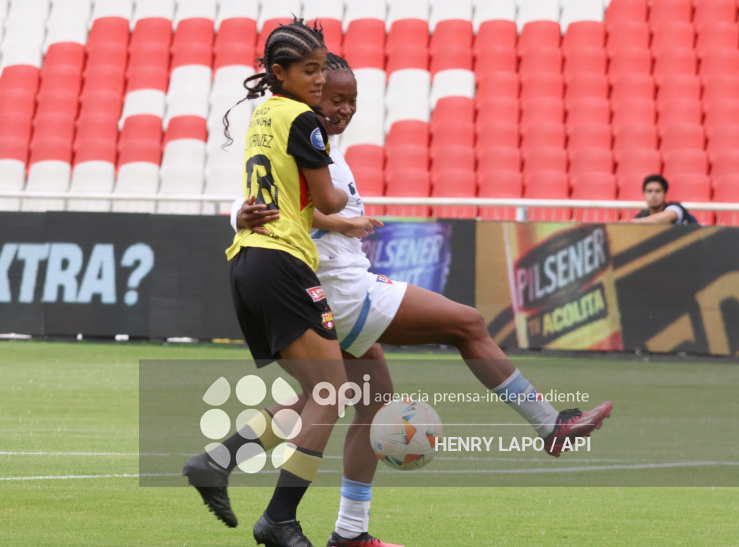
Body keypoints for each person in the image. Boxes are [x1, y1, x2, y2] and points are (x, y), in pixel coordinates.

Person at [226, 52, 613, 546]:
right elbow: (258, 200)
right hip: (341, 292)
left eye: (352, 100)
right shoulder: (302, 135)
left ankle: (343, 530)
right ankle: (549, 423)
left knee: (366, 403)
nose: (343, 109)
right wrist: (246, 213)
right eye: (334, 97)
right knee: (466, 324)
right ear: (312, 92)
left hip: (328, 293)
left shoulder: (318, 146)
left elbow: (266, 194)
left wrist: (262, 213)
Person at [183, 19, 350, 547]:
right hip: (282, 262)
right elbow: (327, 199)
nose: (320, 79)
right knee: (333, 391)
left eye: (323, 67)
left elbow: (284, 191)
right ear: (279, 72)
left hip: (249, 261)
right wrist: (343, 205)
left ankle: (218, 462)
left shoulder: (265, 113)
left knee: (313, 393)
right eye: (309, 70)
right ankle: (279, 517)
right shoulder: (304, 119)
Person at [632, 174, 699, 225]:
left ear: (665, 193)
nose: (653, 195)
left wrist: (633, 223)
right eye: (649, 191)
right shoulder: (641, 216)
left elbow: (668, 216)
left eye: (658, 191)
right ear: (644, 194)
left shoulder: (676, 207)